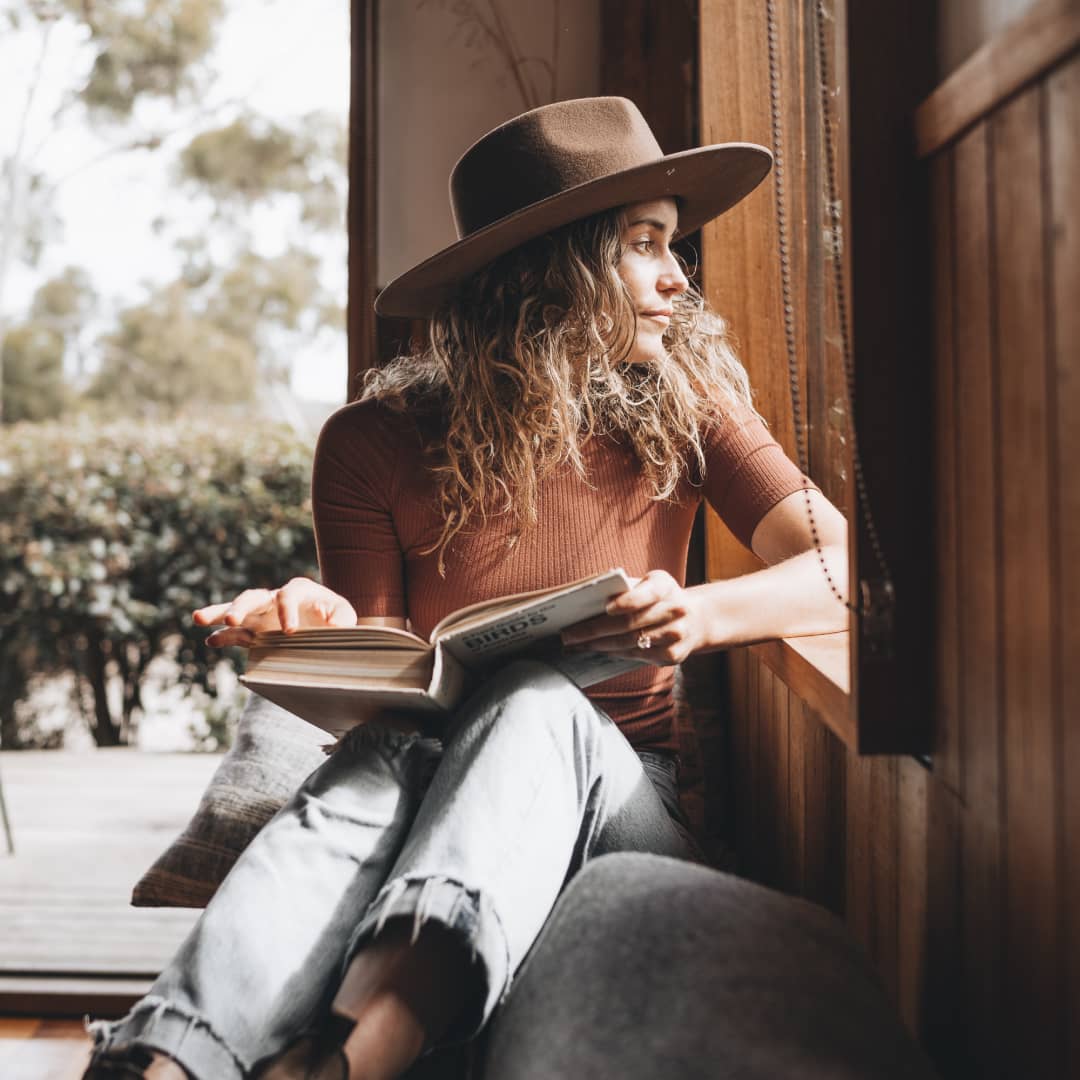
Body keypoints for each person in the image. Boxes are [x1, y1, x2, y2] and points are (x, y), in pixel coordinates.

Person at [84, 97, 848, 1080]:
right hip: (431, 771)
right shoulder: (371, 441)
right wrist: (318, 630)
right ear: (553, 271)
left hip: (619, 802)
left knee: (535, 700)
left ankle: (348, 1062)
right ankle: (165, 1064)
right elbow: (395, 677)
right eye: (643, 247)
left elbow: (839, 572)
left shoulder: (689, 402)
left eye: (673, 246)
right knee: (363, 775)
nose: (674, 281)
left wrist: (696, 615)